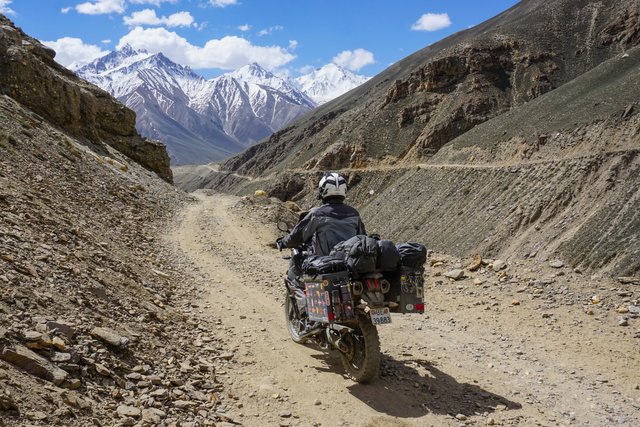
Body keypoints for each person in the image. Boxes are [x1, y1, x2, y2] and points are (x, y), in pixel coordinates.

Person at [277, 172, 366, 286]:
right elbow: (362, 238)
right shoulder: (354, 214)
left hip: (325, 265)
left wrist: (283, 242)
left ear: (323, 190)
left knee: (297, 278)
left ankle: (302, 299)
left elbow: (297, 236)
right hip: (351, 265)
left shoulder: (317, 214)